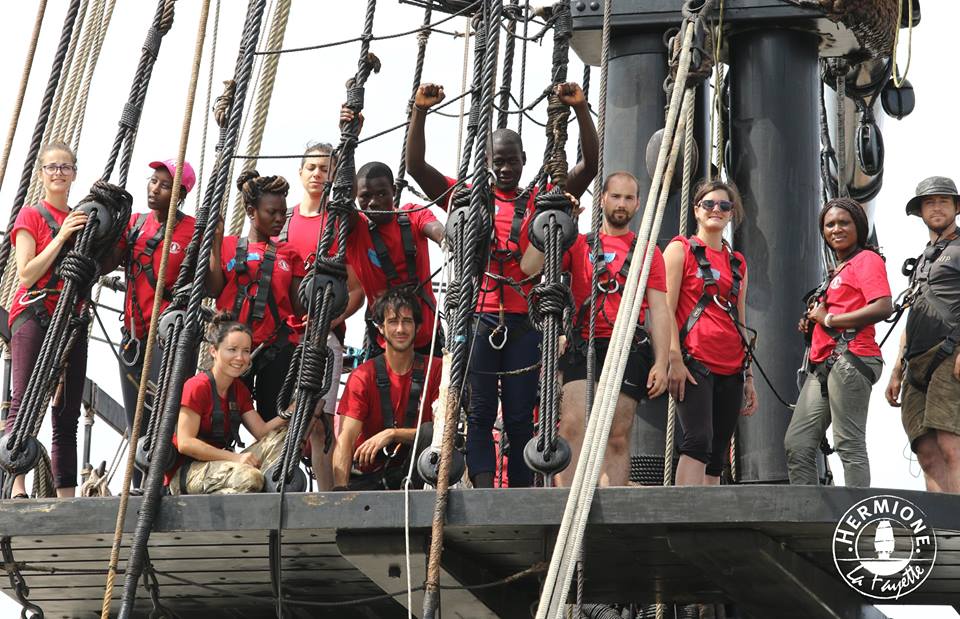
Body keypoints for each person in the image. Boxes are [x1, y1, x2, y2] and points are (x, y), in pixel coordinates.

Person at [406, 81, 599, 488]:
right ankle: (481, 486)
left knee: (517, 415)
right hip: (479, 317)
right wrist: (420, 113)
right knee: (477, 412)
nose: (506, 168)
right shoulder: (468, 197)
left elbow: (589, 167)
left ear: (525, 160)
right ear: (487, 162)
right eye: (498, 162)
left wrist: (581, 109)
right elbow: (417, 169)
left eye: (512, 161)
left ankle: (520, 491)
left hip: (524, 322)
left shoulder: (541, 200)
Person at [521, 171, 670, 486]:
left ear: (638, 203)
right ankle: (566, 506)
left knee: (616, 433)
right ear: (602, 199)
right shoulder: (577, 244)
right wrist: (555, 219)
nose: (621, 204)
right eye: (615, 196)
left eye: (628, 198)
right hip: (583, 342)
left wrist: (662, 361)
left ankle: (612, 507)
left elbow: (659, 310)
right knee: (573, 425)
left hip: (627, 346)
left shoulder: (649, 252)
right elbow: (529, 268)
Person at [785, 197, 892, 487]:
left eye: (844, 222)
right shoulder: (837, 272)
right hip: (824, 365)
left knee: (849, 443)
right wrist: (813, 324)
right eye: (829, 224)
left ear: (858, 226)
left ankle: (856, 522)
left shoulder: (866, 260)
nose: (836, 229)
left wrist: (829, 319)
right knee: (798, 444)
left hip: (851, 358)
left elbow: (883, 306)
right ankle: (809, 520)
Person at [4, 142, 88, 498]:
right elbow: (27, 273)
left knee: (67, 410)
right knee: (23, 400)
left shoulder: (83, 219)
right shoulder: (31, 217)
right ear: (41, 174)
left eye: (65, 167)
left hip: (69, 318)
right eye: (52, 167)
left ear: (73, 174)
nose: (58, 173)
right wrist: (63, 236)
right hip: (34, 314)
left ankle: (66, 493)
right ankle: (17, 484)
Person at [279, 142, 363, 491]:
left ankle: (326, 498)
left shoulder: (339, 225)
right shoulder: (282, 222)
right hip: (283, 337)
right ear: (300, 173)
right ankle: (279, 483)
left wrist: (327, 321)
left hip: (323, 338)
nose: (317, 174)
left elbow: (357, 290)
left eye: (325, 169)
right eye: (311, 167)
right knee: (283, 416)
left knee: (319, 423)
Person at [665, 179, 758, 486]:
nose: (716, 210)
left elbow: (741, 318)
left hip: (731, 365)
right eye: (709, 204)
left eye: (724, 205)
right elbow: (664, 308)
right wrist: (673, 359)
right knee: (698, 440)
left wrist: (749, 377)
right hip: (695, 361)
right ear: (696, 210)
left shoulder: (737, 263)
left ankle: (707, 521)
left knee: (718, 451)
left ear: (731, 214)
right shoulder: (681, 251)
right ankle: (685, 514)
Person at [112, 159, 197, 486]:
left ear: (180, 193)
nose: (154, 188)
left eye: (164, 184)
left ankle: (165, 484)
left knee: (166, 416)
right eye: (152, 181)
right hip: (133, 338)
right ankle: (137, 488)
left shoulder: (193, 230)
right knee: (137, 419)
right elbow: (107, 262)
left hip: (170, 339)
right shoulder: (134, 225)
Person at [207, 171, 306, 422]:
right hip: (233, 344)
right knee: (221, 417)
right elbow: (213, 289)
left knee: (272, 416)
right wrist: (216, 241)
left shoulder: (290, 254)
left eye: (283, 213)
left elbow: (299, 307)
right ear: (251, 212)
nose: (279, 219)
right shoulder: (228, 246)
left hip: (277, 347)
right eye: (271, 212)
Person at [886, 177, 960, 493]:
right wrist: (897, 370)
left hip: (950, 352)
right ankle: (942, 531)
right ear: (920, 211)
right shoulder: (922, 261)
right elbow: (913, 313)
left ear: (957, 207)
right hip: (915, 361)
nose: (937, 207)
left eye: (944, 201)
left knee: (950, 443)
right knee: (926, 452)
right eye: (930, 202)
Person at [165, 315, 289, 494]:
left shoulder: (238, 390)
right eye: (232, 350)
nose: (240, 357)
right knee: (249, 478)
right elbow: (186, 443)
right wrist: (236, 458)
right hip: (189, 472)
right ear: (213, 351)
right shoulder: (197, 387)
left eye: (246, 351)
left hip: (225, 465)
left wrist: (292, 411)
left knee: (284, 437)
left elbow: (261, 431)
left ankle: (269, 486)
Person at [333, 288, 441, 490]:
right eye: (393, 322)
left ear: (418, 327)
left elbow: (442, 433)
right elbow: (346, 438)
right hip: (373, 479)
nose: (400, 329)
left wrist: (393, 433)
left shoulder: (437, 370)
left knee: (429, 431)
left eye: (407, 322)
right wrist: (340, 493)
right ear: (381, 328)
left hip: (419, 477)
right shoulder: (363, 376)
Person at [349, 161, 445, 357]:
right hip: (383, 341)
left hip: (427, 338)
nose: (374, 202)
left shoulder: (413, 215)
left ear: (393, 191)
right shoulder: (356, 231)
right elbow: (343, 198)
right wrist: (349, 142)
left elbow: (434, 228)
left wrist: (445, 238)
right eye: (365, 197)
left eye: (382, 194)